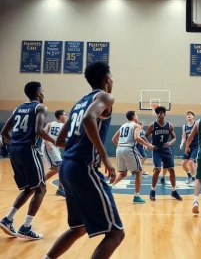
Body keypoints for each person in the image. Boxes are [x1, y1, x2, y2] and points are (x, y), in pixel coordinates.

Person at [44, 62, 124, 259]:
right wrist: (104, 156)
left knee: (78, 228)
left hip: (67, 167)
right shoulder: (105, 97)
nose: (112, 80)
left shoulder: (80, 102)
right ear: (107, 79)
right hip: (83, 168)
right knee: (116, 233)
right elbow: (89, 119)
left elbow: (60, 141)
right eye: (111, 77)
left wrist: (79, 146)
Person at [0, 81, 55, 240]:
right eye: (42, 91)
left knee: (29, 188)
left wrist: (16, 144)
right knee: (41, 189)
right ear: (38, 93)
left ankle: (7, 219)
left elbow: (4, 132)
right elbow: (38, 130)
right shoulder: (40, 107)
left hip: (14, 150)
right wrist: (55, 141)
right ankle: (26, 227)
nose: (44, 94)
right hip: (28, 149)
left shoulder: (18, 108)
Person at [111, 111, 154, 203]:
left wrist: (120, 146)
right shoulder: (136, 126)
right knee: (139, 172)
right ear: (134, 116)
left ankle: (110, 186)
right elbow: (137, 138)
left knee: (123, 173)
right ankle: (136, 197)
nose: (137, 117)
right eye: (136, 115)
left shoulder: (123, 126)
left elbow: (113, 139)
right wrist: (148, 145)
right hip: (128, 148)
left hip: (119, 149)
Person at [145, 106, 182, 201]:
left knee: (172, 170)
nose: (159, 114)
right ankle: (152, 191)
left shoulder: (170, 125)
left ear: (164, 114)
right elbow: (145, 136)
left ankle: (174, 191)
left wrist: (170, 142)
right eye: (157, 113)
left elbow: (174, 137)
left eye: (161, 113)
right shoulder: (152, 125)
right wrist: (149, 144)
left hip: (166, 150)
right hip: (157, 150)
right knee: (157, 170)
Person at [41, 109, 68, 197]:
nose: (66, 116)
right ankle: (60, 189)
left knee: (56, 170)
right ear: (60, 116)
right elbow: (42, 133)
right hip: (49, 146)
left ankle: (39, 183)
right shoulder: (50, 124)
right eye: (65, 115)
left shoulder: (65, 126)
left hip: (56, 148)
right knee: (61, 167)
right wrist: (46, 142)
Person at [180, 111, 197, 186]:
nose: (188, 115)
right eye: (187, 115)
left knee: (191, 162)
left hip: (196, 146)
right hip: (188, 147)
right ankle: (189, 175)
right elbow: (184, 136)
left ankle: (194, 178)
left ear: (193, 116)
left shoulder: (196, 124)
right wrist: (182, 143)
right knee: (183, 164)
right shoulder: (184, 126)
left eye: (190, 114)